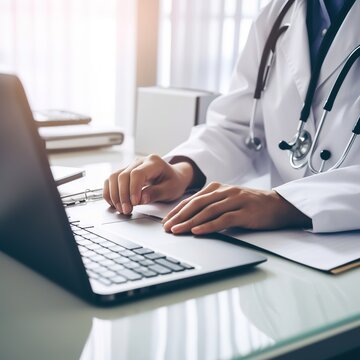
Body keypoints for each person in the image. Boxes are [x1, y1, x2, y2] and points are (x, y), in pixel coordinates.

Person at [103, 0, 360, 235]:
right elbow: (241, 126)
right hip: (285, 244)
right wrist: (183, 170)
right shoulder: (278, 13)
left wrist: (283, 203)